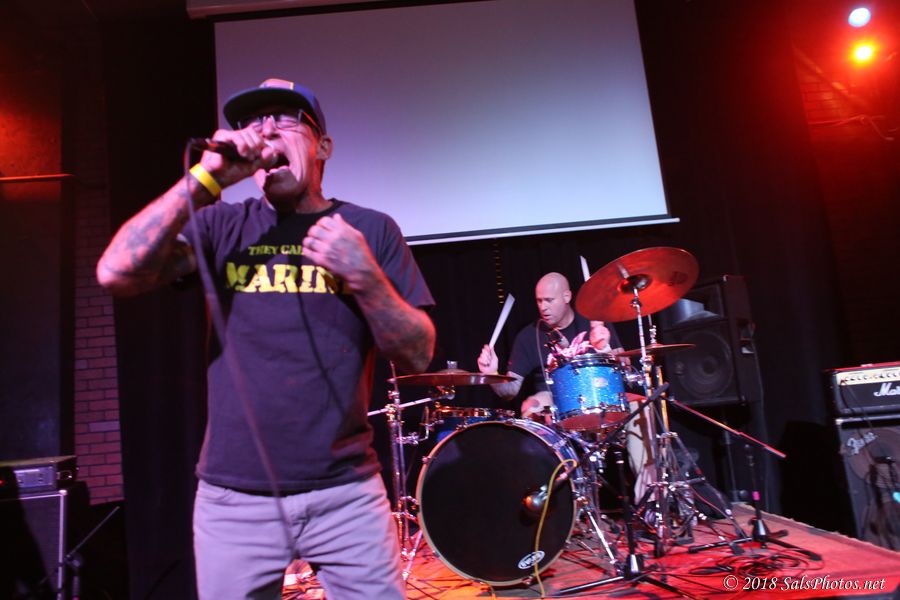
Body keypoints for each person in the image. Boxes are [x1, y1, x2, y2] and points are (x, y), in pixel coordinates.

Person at [96, 78, 435, 600]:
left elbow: (417, 354)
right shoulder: (222, 226)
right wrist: (205, 178)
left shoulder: (369, 230)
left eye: (285, 119)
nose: (266, 130)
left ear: (323, 147)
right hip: (234, 500)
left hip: (346, 494)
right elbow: (115, 272)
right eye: (255, 122)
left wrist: (365, 276)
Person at [476, 272, 624, 418]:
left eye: (549, 300)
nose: (543, 307)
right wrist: (492, 373)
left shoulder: (594, 322)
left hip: (599, 398)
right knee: (531, 406)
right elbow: (510, 392)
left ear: (567, 297)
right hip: (555, 410)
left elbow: (625, 368)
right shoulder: (528, 337)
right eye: (539, 301)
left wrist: (604, 349)